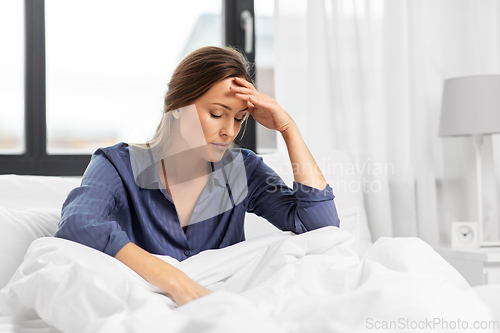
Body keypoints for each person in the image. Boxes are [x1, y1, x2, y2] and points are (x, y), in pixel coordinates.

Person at [54, 46, 340, 306]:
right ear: (178, 107)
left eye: (239, 118)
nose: (230, 131)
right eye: (217, 114)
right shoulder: (118, 164)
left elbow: (321, 227)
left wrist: (288, 129)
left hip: (224, 309)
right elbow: (77, 223)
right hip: (143, 307)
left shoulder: (244, 170)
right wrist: (174, 281)